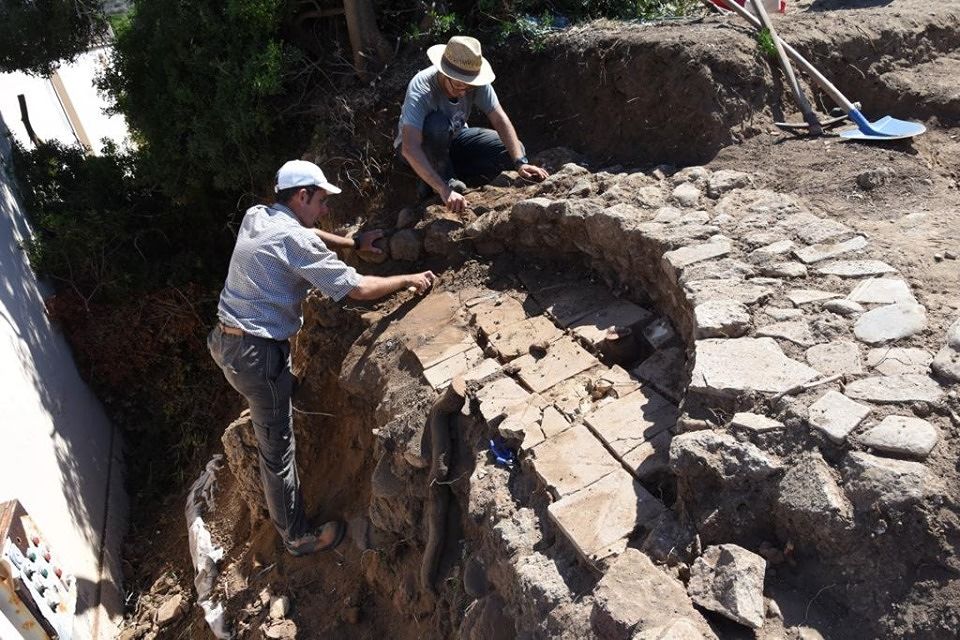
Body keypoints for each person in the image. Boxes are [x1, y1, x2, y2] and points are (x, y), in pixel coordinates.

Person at [208, 160, 436, 556]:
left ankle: (281, 388)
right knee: (277, 452)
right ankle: (295, 537)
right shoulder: (295, 242)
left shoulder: (258, 215)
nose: (325, 208)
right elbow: (356, 289)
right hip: (255, 356)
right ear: (302, 195)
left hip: (225, 341)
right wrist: (408, 279)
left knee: (274, 389)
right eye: (321, 199)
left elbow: (306, 231)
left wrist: (352, 242)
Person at [396, 35, 550, 213]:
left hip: (454, 138)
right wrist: (444, 189)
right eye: (458, 86)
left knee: (508, 152)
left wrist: (520, 163)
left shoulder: (474, 81)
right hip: (421, 147)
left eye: (468, 87)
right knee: (436, 124)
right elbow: (410, 147)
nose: (463, 93)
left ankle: (436, 175)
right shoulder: (422, 88)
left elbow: (499, 118)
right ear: (445, 73)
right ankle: (440, 180)